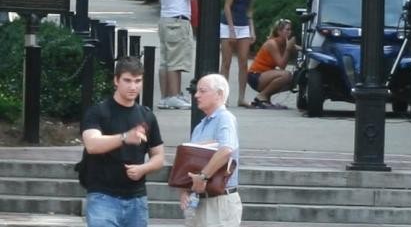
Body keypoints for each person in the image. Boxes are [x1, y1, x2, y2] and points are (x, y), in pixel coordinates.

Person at [80, 56, 164, 227]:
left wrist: (143, 168)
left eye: (137, 81)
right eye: (127, 80)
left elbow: (159, 157)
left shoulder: (147, 116)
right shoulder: (98, 112)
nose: (133, 86)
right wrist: (125, 137)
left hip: (137, 199)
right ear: (116, 81)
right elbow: (92, 145)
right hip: (102, 196)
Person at [178, 73, 242, 226]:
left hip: (220, 200)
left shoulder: (225, 118)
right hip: (199, 200)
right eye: (197, 91)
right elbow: (191, 162)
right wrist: (184, 189)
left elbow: (226, 150)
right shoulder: (200, 127)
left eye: (202, 91)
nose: (196, 95)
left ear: (219, 94)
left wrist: (203, 176)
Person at [157, 0, 197, 109]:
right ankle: (174, 95)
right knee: (176, 61)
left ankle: (166, 97)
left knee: (166, 61)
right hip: (177, 20)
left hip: (166, 18)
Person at [220, 0, 265, 107]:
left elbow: (249, 10)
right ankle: (224, 97)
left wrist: (252, 30)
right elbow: (227, 6)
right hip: (228, 23)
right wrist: (232, 30)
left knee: (243, 62)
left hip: (243, 24)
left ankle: (241, 97)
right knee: (226, 62)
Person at [246, 18, 298, 109]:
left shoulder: (285, 44)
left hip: (266, 75)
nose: (290, 32)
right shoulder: (272, 44)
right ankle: (261, 96)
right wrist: (288, 49)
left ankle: (266, 99)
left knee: (294, 80)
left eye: (291, 29)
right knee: (286, 75)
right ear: (279, 32)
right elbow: (282, 66)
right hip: (255, 76)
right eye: (287, 29)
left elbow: (301, 49)